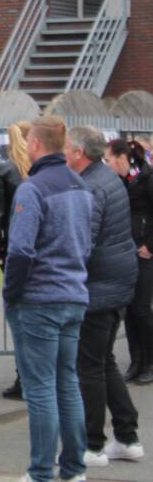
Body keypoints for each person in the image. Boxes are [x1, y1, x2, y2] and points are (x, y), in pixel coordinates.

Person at [4, 116, 93, 482]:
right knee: (67, 382)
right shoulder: (81, 186)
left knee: (40, 388)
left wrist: (11, 293)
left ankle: (41, 472)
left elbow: (21, 249)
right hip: (74, 292)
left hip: (39, 298)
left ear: (36, 145)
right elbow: (87, 243)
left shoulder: (33, 188)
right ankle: (73, 469)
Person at [65, 127, 144, 466]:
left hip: (99, 286)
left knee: (89, 367)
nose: (63, 153)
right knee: (102, 361)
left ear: (79, 152)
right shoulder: (105, 177)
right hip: (115, 281)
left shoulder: (91, 186)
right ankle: (126, 436)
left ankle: (92, 445)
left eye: (67, 148)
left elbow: (84, 241)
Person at [105, 138, 153, 384]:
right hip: (127, 249)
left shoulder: (147, 176)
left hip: (143, 250)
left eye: (109, 159)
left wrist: (150, 246)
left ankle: (150, 361)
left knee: (143, 309)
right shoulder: (121, 181)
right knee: (131, 309)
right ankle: (137, 361)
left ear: (121, 158)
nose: (107, 163)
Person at [0, 119, 32, 400]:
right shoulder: (41, 172)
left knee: (18, 315)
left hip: (14, 249)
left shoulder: (6, 170)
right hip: (39, 252)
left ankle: (23, 377)